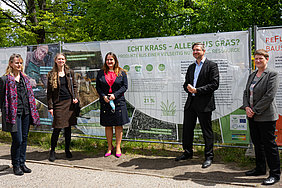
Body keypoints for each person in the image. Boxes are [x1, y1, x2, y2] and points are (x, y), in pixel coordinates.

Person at [175, 42, 219, 169]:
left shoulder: (212, 66)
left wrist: (197, 90)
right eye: (194, 50)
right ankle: (187, 153)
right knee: (187, 129)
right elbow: (186, 83)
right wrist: (188, 88)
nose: (195, 52)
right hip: (191, 103)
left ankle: (209, 157)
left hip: (204, 104)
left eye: (198, 50)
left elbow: (214, 84)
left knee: (207, 131)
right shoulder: (191, 67)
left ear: (203, 51)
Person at [243, 49, 281, 185]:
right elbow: (246, 92)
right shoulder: (252, 75)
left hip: (266, 116)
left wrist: (254, 110)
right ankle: (260, 168)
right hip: (251, 115)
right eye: (256, 59)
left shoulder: (272, 74)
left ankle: (275, 174)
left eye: (261, 58)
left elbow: (269, 96)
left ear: (267, 59)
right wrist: (247, 107)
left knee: (269, 145)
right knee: (257, 144)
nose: (258, 61)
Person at [0, 54, 40, 175]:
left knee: (25, 139)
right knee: (17, 139)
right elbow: (1, 98)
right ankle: (15, 164)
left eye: (21, 63)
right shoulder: (5, 79)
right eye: (17, 63)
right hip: (13, 113)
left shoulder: (25, 78)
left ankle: (22, 163)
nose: (19, 65)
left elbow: (29, 96)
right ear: (11, 64)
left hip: (26, 111)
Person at [96, 52, 129, 158]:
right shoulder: (101, 73)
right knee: (108, 125)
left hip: (118, 101)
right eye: (107, 60)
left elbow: (124, 86)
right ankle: (110, 147)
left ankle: (118, 147)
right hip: (105, 102)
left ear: (115, 61)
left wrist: (115, 95)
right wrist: (103, 96)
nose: (109, 62)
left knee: (119, 125)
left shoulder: (122, 72)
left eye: (111, 60)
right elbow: (98, 87)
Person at [47, 53, 79, 162]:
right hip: (58, 104)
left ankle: (67, 149)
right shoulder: (51, 74)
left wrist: (76, 97)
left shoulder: (70, 73)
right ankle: (52, 151)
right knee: (57, 127)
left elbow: (75, 86)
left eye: (62, 59)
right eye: (59, 59)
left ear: (65, 60)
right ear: (55, 60)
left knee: (68, 128)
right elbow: (49, 94)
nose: (61, 61)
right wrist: (50, 107)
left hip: (69, 103)